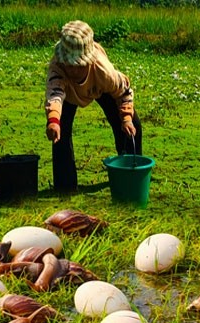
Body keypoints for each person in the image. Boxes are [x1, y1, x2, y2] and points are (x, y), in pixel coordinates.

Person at [44, 20, 143, 194]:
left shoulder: (104, 72)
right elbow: (55, 94)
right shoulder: (58, 68)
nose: (72, 70)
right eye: (69, 64)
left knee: (131, 125)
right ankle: (65, 186)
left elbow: (123, 92)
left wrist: (126, 119)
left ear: (87, 62)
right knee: (59, 133)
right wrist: (53, 121)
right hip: (68, 94)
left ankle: (131, 172)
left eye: (77, 65)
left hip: (101, 87)